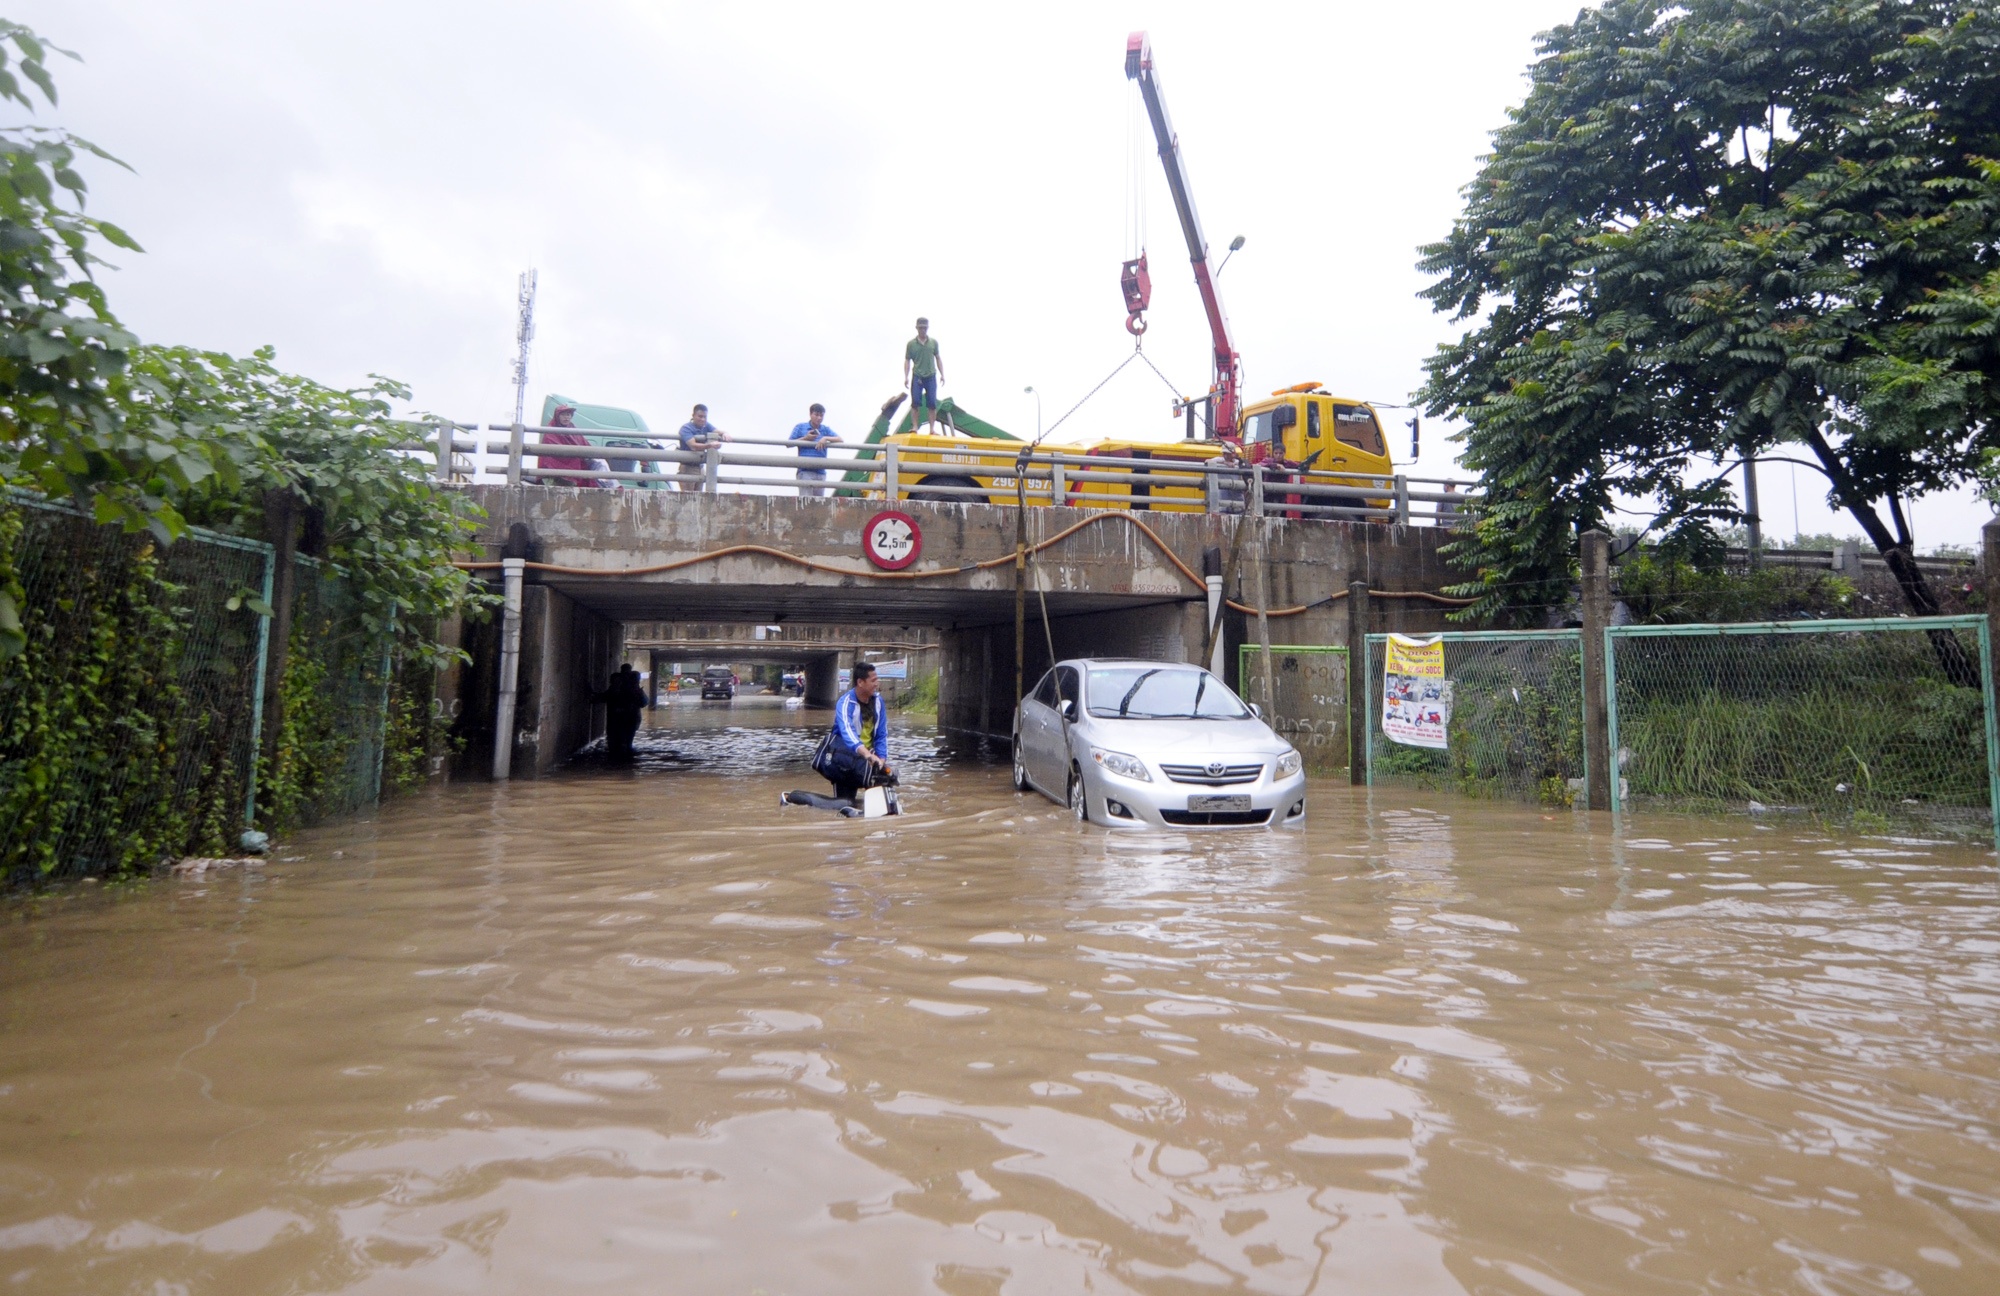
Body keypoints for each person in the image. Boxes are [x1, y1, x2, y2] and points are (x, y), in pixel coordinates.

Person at [824, 661, 892, 800]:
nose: (876, 684)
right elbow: (848, 733)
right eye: (873, 680)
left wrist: (881, 759)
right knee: (845, 802)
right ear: (860, 682)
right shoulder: (845, 703)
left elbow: (881, 734)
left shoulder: (878, 701)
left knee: (880, 801)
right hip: (846, 760)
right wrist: (867, 755)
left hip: (870, 759)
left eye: (877, 680)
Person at [532, 404, 605, 487]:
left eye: (568, 414)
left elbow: (584, 444)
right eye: (563, 414)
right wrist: (576, 455)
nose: (566, 417)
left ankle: (614, 488)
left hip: (572, 470)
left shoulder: (572, 428)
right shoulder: (551, 430)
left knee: (600, 463)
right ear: (557, 416)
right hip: (554, 474)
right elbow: (553, 455)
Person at [591, 663, 649, 762]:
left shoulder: (617, 682)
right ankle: (626, 759)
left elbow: (604, 697)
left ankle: (617, 760)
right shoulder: (632, 682)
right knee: (627, 741)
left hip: (617, 717)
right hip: (630, 717)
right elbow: (644, 702)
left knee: (615, 742)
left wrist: (592, 695)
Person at [789, 403, 841, 498]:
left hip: (820, 472)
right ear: (810, 414)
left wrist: (825, 438)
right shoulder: (800, 427)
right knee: (806, 503)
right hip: (805, 471)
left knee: (819, 504)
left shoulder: (825, 429)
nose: (819, 418)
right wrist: (805, 438)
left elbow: (840, 439)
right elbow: (789, 444)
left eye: (821, 415)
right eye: (816, 415)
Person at [902, 317, 944, 434]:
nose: (923, 330)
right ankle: (915, 426)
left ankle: (932, 429)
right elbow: (907, 360)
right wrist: (906, 376)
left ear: (927, 328)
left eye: (925, 328)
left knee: (932, 403)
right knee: (915, 402)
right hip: (917, 376)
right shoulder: (911, 344)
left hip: (931, 375)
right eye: (921, 328)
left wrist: (942, 374)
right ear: (917, 328)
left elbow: (938, 358)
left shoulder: (933, 343)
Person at [675, 404, 728, 491]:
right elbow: (693, 446)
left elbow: (717, 431)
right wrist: (710, 445)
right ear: (693, 416)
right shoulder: (686, 428)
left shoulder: (706, 425)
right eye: (700, 416)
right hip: (688, 467)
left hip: (700, 467)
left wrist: (725, 433)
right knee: (688, 499)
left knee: (699, 498)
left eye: (705, 417)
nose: (702, 419)